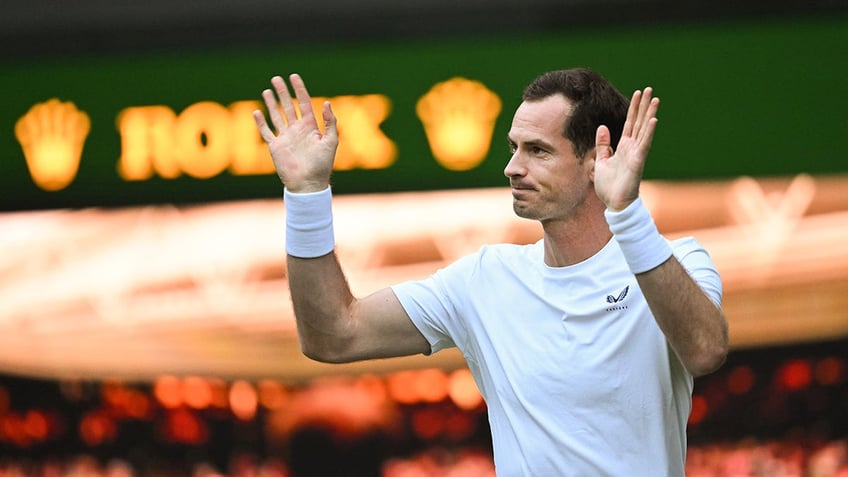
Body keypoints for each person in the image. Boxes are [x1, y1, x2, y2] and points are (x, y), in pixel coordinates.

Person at [252, 68, 729, 476]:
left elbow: (706, 350)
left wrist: (625, 212)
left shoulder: (678, 261)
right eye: (514, 147)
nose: (512, 167)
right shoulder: (484, 279)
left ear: (595, 161)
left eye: (538, 151)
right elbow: (333, 335)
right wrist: (308, 195)